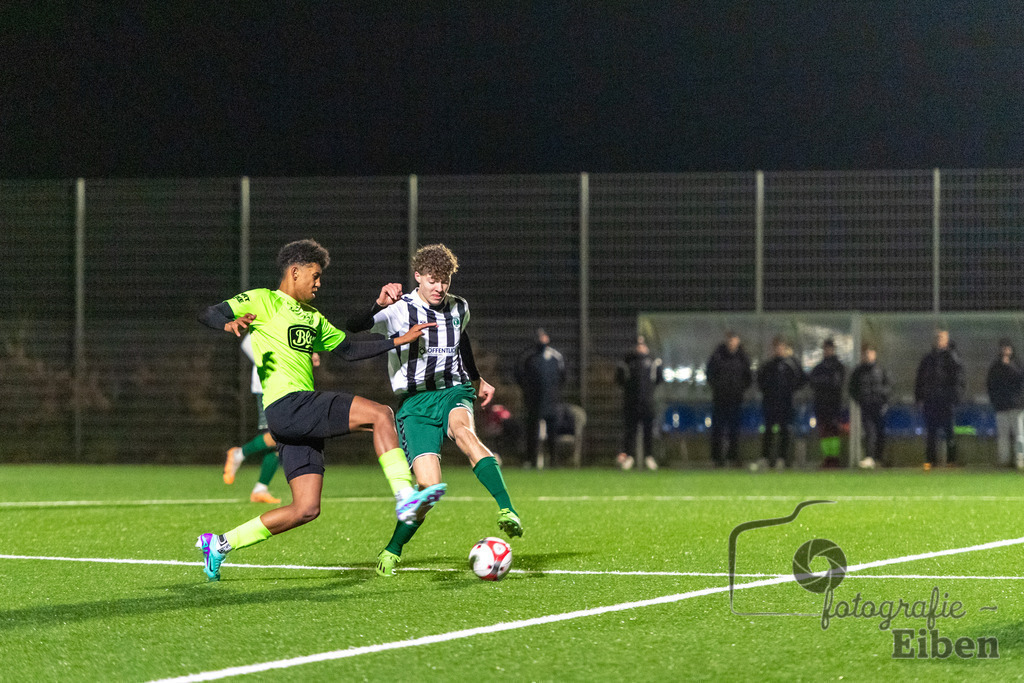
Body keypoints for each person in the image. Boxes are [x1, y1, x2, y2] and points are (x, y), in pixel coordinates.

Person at [193, 239, 443, 581]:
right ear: (294, 272)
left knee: (306, 509)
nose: (319, 282)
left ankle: (219, 544)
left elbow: (350, 348)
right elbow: (210, 311)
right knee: (381, 414)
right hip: (288, 404)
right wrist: (226, 323)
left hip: (293, 419)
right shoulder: (263, 299)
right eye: (315, 274)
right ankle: (404, 496)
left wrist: (398, 341)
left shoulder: (312, 317)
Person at [346, 243, 523, 578]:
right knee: (429, 489)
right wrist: (377, 304)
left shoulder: (459, 307)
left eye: (445, 281)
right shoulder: (399, 310)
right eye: (432, 280)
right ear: (418, 277)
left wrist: (477, 378)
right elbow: (353, 326)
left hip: (453, 391)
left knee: (465, 433)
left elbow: (462, 340)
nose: (439, 288)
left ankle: (507, 510)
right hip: (414, 403)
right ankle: (393, 549)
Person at [222, 335, 321, 504]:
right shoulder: (263, 322)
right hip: (267, 387)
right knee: (277, 436)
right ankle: (239, 454)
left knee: (279, 440)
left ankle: (260, 488)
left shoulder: (287, 319)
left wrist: (309, 352)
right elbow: (249, 345)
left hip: (287, 386)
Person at [914, 329, 966, 469]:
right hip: (930, 400)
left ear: (946, 340)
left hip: (946, 400)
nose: (938, 340)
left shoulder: (952, 358)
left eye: (941, 338)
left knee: (949, 431)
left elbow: (959, 379)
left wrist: (955, 397)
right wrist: (919, 397)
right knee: (931, 432)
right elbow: (919, 379)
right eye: (937, 337)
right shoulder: (927, 359)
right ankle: (930, 461)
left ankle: (951, 460)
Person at [515, 328, 566, 468]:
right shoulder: (528, 357)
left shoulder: (556, 357)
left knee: (552, 432)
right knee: (532, 432)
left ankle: (554, 461)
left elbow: (562, 377)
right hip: (533, 402)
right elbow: (519, 376)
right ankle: (531, 460)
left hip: (552, 401)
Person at [757, 337, 807, 470]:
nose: (778, 350)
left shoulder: (791, 365)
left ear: (784, 348)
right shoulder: (768, 366)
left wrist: (790, 391)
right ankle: (765, 458)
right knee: (768, 430)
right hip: (770, 403)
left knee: (784, 430)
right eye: (776, 347)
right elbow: (760, 381)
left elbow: (802, 379)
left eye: (780, 347)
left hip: (786, 403)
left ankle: (782, 459)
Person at [615, 335, 664, 470]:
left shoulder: (654, 362)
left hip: (648, 403)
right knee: (630, 431)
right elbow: (620, 380)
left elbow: (659, 379)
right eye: (638, 345)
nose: (640, 348)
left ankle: (649, 456)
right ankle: (629, 456)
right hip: (631, 403)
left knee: (648, 431)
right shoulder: (627, 362)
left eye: (643, 345)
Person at [706, 331, 753, 467]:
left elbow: (748, 377)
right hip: (719, 398)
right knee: (718, 429)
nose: (732, 343)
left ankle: (733, 457)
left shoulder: (743, 357)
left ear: (738, 341)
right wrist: (717, 387)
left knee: (734, 429)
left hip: (736, 399)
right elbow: (710, 374)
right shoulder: (717, 356)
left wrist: (740, 389)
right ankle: (717, 458)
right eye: (730, 340)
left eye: (734, 340)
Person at [848, 343, 892, 468]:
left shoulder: (881, 370)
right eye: (865, 353)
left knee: (880, 432)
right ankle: (870, 457)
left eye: (870, 353)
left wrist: (883, 399)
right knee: (869, 431)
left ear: (874, 354)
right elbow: (852, 388)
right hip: (866, 405)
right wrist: (860, 400)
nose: (867, 355)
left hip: (879, 406)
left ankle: (878, 458)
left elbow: (889, 386)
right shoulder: (858, 371)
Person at [985, 338, 1024, 468]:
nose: (1005, 350)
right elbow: (991, 385)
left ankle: (1020, 459)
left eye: (1007, 347)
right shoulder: (995, 366)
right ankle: (1004, 460)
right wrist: (995, 401)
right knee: (1003, 436)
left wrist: (1009, 366)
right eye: (1003, 347)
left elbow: (1020, 380)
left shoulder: (1017, 364)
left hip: (1016, 406)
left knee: (1019, 435)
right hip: (1001, 406)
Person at [809, 338, 846, 466]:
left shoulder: (838, 367)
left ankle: (834, 457)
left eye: (829, 348)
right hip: (820, 405)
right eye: (825, 348)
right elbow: (812, 382)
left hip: (834, 405)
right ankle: (827, 457)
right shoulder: (819, 367)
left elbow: (836, 383)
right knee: (824, 432)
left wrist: (823, 382)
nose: (827, 351)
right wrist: (826, 382)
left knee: (833, 431)